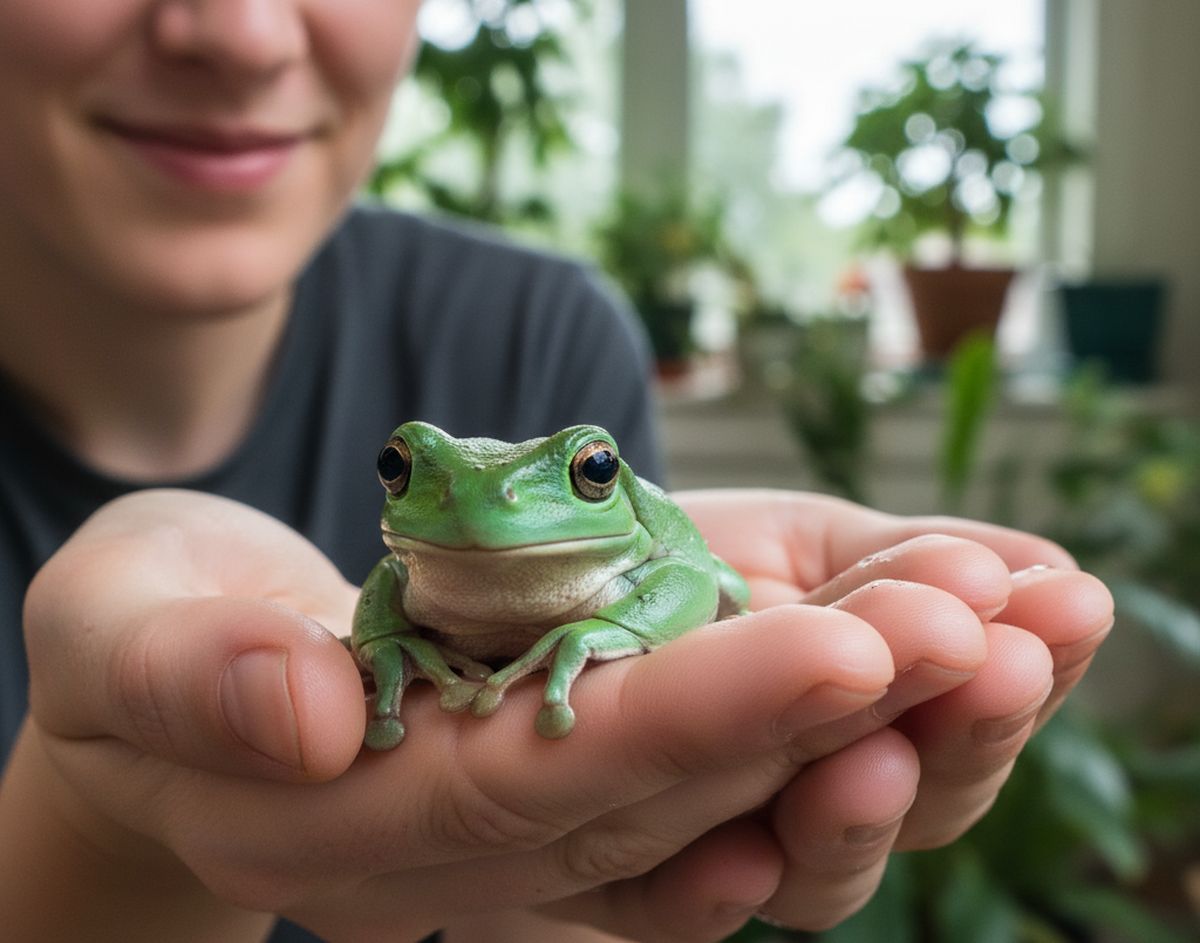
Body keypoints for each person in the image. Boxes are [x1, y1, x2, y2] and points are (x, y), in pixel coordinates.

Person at [0, 2, 1114, 942]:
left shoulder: (550, 325)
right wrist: (103, 832)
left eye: (582, 469)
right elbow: (384, 589)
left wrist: (567, 852)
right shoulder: (441, 490)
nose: (241, 33)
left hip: (634, 598)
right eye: (403, 470)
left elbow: (691, 581)